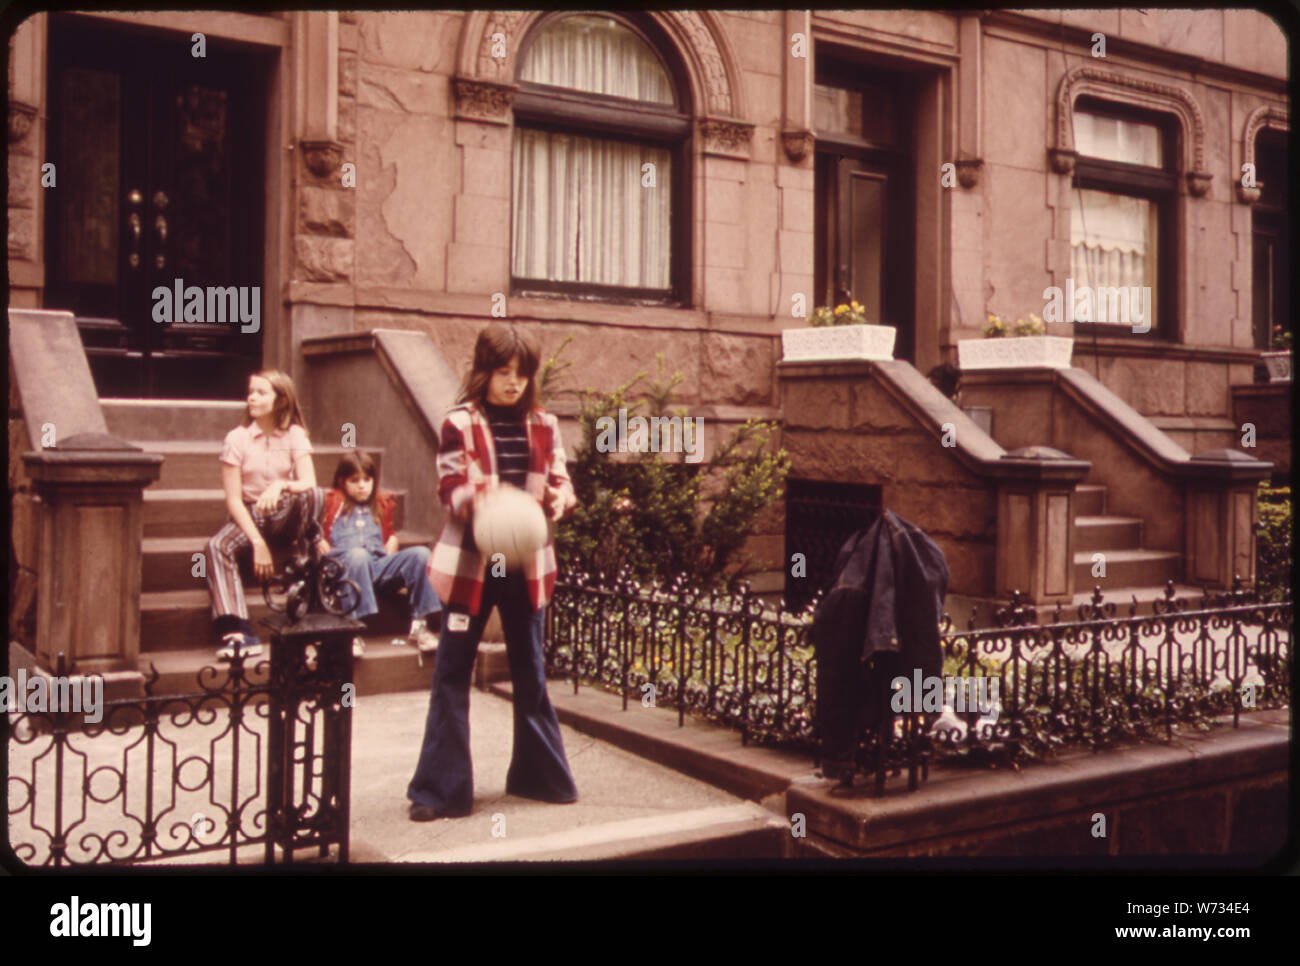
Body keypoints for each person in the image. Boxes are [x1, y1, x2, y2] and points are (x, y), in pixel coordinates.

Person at [407, 323, 579, 821]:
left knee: (531, 671)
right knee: (451, 674)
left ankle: (538, 777)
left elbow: (563, 483)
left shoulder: (545, 423)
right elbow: (450, 489)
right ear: (484, 372)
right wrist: (493, 504)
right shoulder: (458, 423)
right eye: (503, 372)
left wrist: (559, 498)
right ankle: (439, 792)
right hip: (470, 567)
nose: (513, 383)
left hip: (523, 566)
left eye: (521, 375)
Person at [206, 370, 323, 660]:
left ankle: (310, 576)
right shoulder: (237, 438)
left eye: (260, 392)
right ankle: (238, 630)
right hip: (250, 515)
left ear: (281, 400)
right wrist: (258, 543)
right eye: (250, 392)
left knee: (314, 494)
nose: (252, 398)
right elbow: (233, 500)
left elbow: (309, 482)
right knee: (216, 546)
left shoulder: (295, 435)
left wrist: (281, 484)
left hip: (284, 514)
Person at [318, 451, 442, 659]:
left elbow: (389, 534)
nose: (362, 486)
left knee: (421, 554)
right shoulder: (333, 501)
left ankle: (420, 624)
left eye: (367, 479)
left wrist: (391, 543)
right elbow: (314, 524)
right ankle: (353, 631)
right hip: (344, 569)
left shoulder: (380, 504)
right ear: (342, 481)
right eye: (354, 480)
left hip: (375, 565)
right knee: (358, 555)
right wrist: (319, 540)